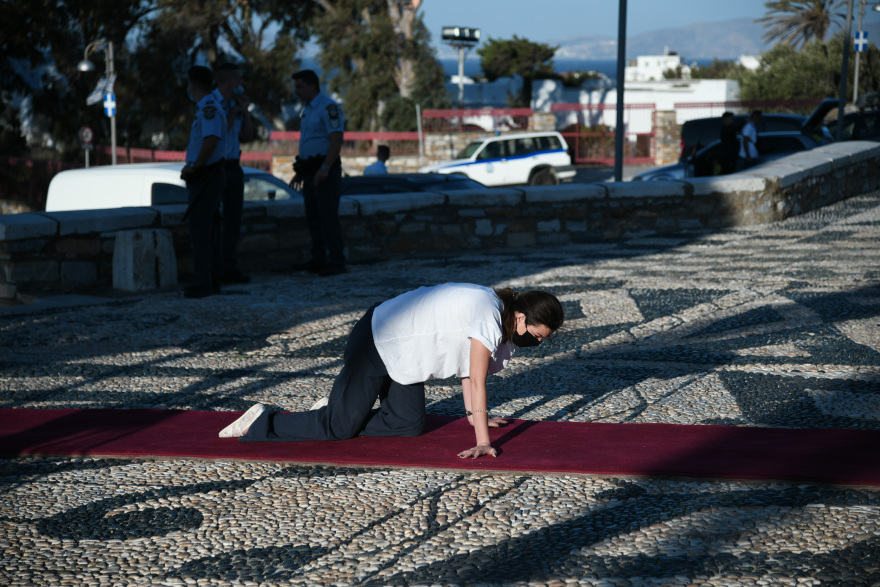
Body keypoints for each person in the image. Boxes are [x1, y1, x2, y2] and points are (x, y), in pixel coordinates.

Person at [218, 283, 565, 459]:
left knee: (409, 424)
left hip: (403, 355)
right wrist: (483, 443)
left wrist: (476, 418)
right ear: (521, 317)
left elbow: (465, 369)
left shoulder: (494, 309)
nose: (533, 343)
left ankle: (340, 406)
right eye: (535, 336)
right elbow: (476, 378)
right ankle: (262, 420)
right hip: (376, 339)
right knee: (338, 428)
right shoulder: (490, 313)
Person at [289, 69, 346, 277]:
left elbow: (336, 139)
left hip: (324, 170)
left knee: (328, 215)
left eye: (300, 86)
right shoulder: (307, 110)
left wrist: (325, 167)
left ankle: (336, 260)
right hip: (310, 170)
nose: (296, 91)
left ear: (313, 86)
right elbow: (309, 143)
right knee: (313, 216)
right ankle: (319, 258)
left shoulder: (327, 107)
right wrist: (300, 172)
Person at [180, 65, 227, 299]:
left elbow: (211, 140)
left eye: (189, 84)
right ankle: (211, 278)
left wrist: (195, 165)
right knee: (209, 229)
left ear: (194, 84)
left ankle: (203, 281)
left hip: (206, 175)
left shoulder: (208, 108)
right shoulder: (208, 107)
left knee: (200, 228)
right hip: (209, 175)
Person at [215, 63, 255, 284]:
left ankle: (229, 266)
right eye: (239, 79)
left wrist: (244, 111)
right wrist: (231, 112)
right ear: (229, 81)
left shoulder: (235, 105)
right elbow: (219, 133)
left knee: (233, 220)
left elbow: (248, 136)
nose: (243, 84)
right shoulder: (213, 103)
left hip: (233, 166)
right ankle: (216, 268)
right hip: (217, 167)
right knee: (215, 221)